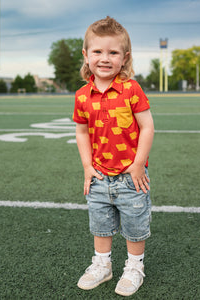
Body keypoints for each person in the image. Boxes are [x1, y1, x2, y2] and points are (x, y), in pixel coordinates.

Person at [72, 16, 154, 297]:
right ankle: (102, 265)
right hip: (98, 175)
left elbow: (147, 126)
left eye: (113, 52)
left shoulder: (131, 89)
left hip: (130, 177)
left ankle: (134, 267)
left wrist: (138, 164)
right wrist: (86, 167)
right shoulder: (82, 95)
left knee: (135, 226)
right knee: (101, 224)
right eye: (97, 51)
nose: (104, 58)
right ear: (86, 55)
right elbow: (81, 132)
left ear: (125, 57)